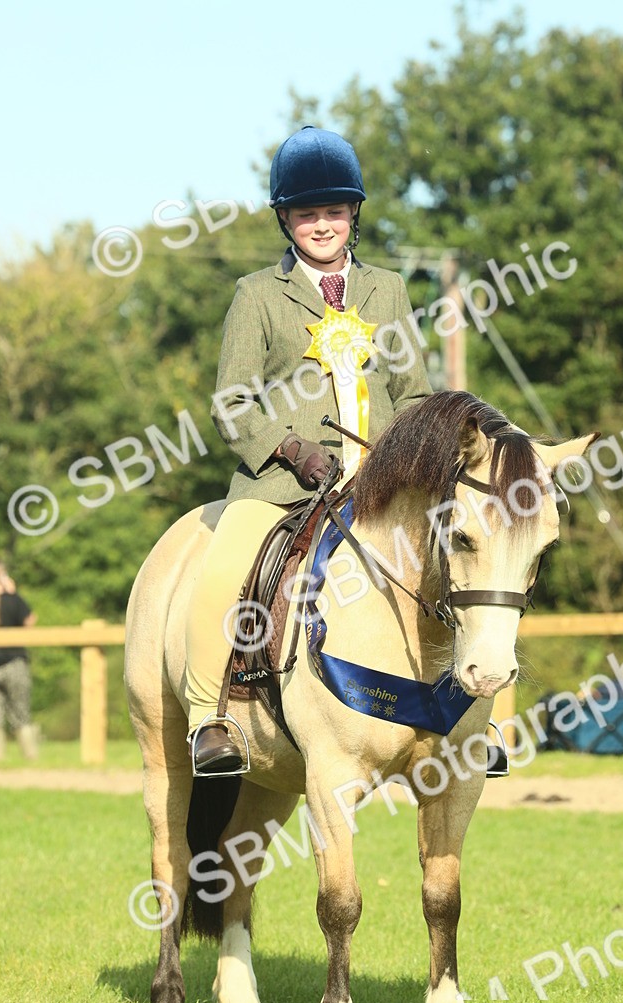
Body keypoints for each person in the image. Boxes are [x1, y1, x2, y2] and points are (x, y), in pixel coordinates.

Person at [186, 126, 432, 773]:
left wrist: (400, 453)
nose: (321, 225)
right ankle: (207, 719)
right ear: (285, 220)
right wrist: (293, 449)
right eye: (305, 214)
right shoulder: (257, 296)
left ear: (352, 214)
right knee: (225, 566)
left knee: (466, 554)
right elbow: (230, 403)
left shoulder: (390, 290)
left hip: (382, 483)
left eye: (332, 211)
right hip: (284, 486)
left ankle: (462, 715)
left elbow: (415, 395)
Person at [0, 557, 38, 761]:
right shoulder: (13, 599)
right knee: (21, 714)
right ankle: (30, 758)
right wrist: (12, 592)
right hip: (14, 662)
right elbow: (30, 621)